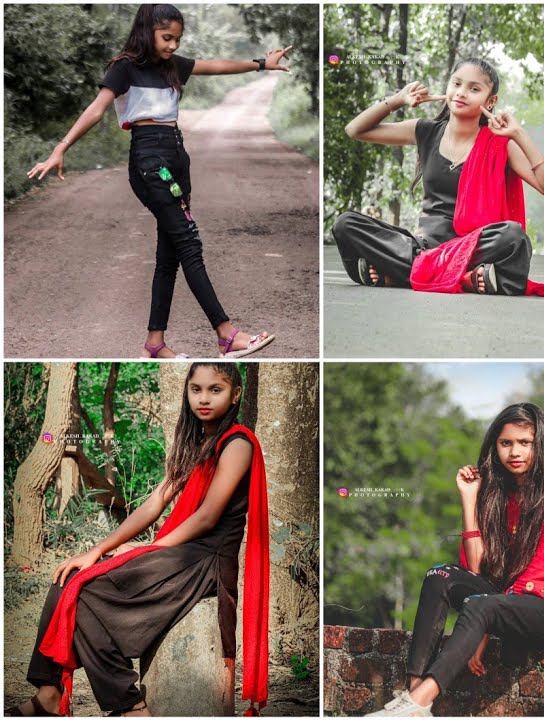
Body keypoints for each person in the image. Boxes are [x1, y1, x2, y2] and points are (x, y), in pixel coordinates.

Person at [12, 363, 269, 717]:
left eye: (215, 389)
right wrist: (97, 549)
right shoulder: (196, 443)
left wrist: (150, 547)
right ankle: (48, 693)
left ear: (235, 394)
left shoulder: (238, 443)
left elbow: (208, 516)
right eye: (196, 389)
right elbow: (154, 503)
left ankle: (130, 706)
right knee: (69, 576)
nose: (204, 398)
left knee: (84, 593)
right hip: (183, 553)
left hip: (204, 561)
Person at [27, 4, 281, 359]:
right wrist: (61, 147)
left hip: (177, 157)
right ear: (147, 31)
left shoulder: (173, 66)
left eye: (177, 39)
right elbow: (96, 109)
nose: (173, 46)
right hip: (151, 161)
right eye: (166, 38)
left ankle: (155, 343)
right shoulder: (124, 68)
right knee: (189, 242)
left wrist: (260, 64)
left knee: (171, 251)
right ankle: (227, 334)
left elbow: (215, 66)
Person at [369, 403, 544, 717]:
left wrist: (483, 630)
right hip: (504, 597)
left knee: (482, 604)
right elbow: (475, 569)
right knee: (439, 576)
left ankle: (419, 702)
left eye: (524, 443)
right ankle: (414, 693)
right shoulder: (498, 492)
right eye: (506, 443)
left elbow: (537, 575)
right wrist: (469, 497)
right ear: (495, 446)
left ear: (540, 446)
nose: (515, 452)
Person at [334, 59, 544, 302]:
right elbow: (355, 130)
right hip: (424, 245)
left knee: (513, 237)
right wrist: (398, 100)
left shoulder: (500, 143)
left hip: (473, 249)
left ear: (490, 101)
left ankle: (399, 275)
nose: (461, 92)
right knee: (347, 224)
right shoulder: (425, 131)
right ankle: (461, 279)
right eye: (456, 84)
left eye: (473, 88)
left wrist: (519, 134)